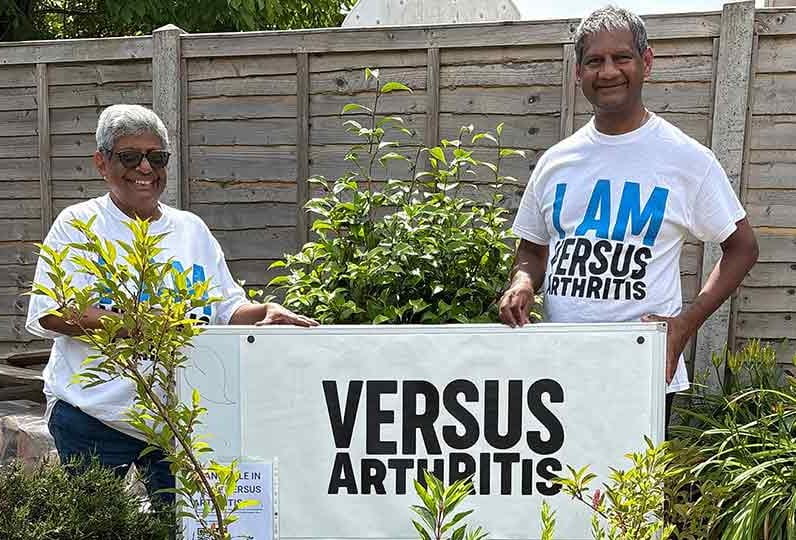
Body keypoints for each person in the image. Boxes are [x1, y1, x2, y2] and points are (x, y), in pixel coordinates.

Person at [26, 104, 317, 504]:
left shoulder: (190, 230)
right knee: (96, 526)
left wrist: (263, 313)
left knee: (183, 524)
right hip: (92, 415)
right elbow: (53, 310)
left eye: (156, 157)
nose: (145, 168)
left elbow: (224, 308)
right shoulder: (78, 225)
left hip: (176, 421)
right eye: (130, 157)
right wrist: (140, 324)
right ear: (102, 162)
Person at [498, 6, 758, 426]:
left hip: (641, 369)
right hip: (556, 370)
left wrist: (683, 326)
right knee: (557, 489)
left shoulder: (686, 159)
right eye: (594, 61)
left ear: (646, 63)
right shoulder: (556, 163)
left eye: (621, 58)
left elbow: (742, 248)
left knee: (634, 492)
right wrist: (524, 282)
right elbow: (532, 249)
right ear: (577, 72)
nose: (608, 71)